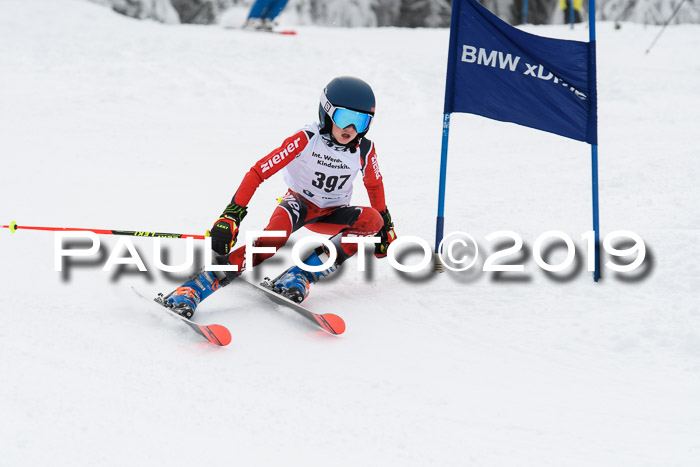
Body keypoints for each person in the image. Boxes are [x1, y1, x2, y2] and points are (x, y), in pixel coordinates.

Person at [163, 76, 397, 318]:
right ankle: (194, 288)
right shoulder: (306, 139)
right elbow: (258, 172)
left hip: (332, 212)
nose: (351, 129)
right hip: (298, 205)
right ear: (327, 113)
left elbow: (374, 184)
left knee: (372, 221)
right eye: (344, 118)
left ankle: (302, 275)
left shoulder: (365, 150)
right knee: (270, 242)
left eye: (361, 121)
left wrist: (385, 225)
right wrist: (231, 216)